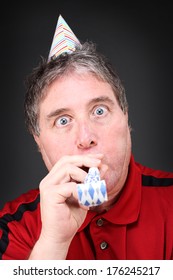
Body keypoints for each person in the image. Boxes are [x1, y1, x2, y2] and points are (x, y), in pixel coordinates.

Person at [0, 15, 173, 260]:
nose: (85, 138)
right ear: (38, 141)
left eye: (99, 111)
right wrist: (53, 243)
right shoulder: (13, 227)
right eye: (63, 120)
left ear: (126, 119)